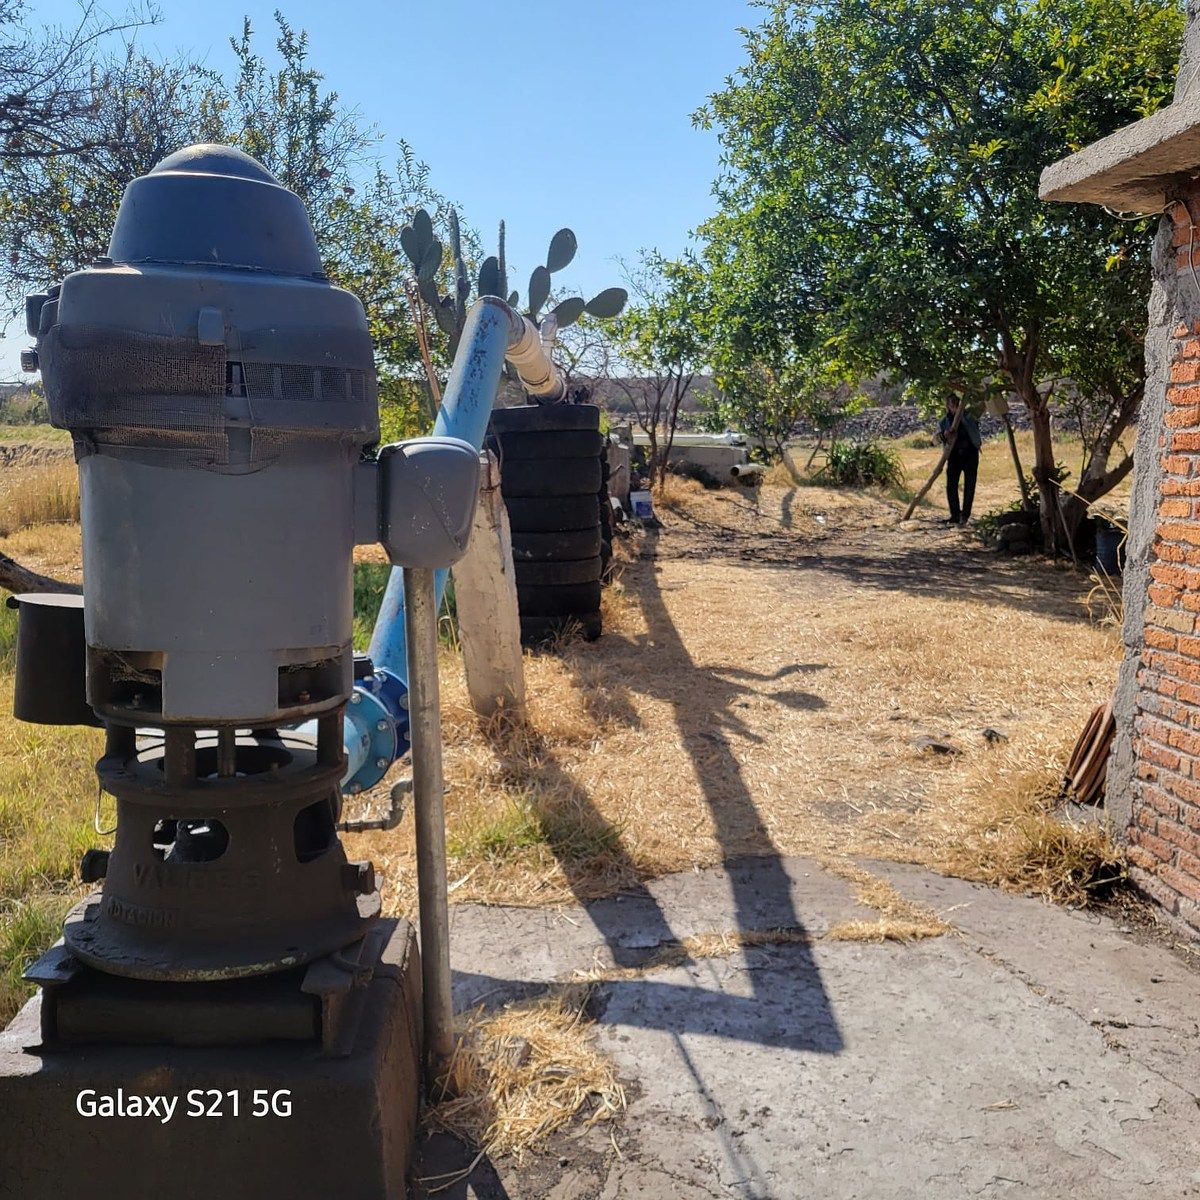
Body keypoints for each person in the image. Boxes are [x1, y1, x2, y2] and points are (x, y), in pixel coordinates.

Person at [938, 396, 981, 526]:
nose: (954, 407)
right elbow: (939, 438)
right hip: (954, 455)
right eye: (952, 405)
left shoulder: (970, 416)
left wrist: (960, 416)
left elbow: (973, 429)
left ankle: (965, 515)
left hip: (970, 453)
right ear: (948, 406)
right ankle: (955, 515)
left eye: (956, 404)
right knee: (951, 485)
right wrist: (945, 434)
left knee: (969, 485)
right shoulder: (944, 421)